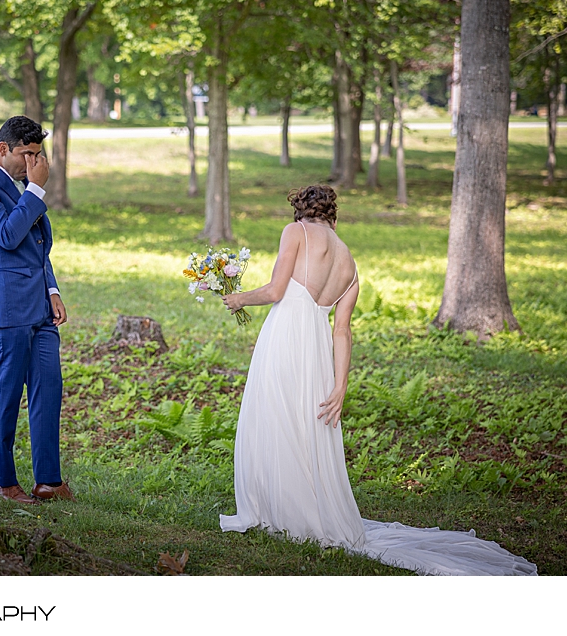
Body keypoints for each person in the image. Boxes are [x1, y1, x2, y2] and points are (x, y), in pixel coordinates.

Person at [218, 184, 536, 576]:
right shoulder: (349, 264)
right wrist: (339, 386)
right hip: (316, 347)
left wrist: (238, 298)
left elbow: (275, 290)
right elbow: (343, 332)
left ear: (302, 212)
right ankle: (299, 510)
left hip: (285, 336)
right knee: (305, 423)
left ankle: (277, 511)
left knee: (275, 415)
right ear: (334, 217)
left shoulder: (295, 232)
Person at [0, 116, 74, 505]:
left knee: (49, 389)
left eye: (38, 155)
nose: (33, 163)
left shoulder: (25, 186)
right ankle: (2, 481)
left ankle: (49, 481)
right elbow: (8, 236)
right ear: (3, 149)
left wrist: (53, 289)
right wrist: (38, 190)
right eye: (27, 154)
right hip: (6, 303)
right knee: (7, 393)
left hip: (40, 303)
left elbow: (38, 244)